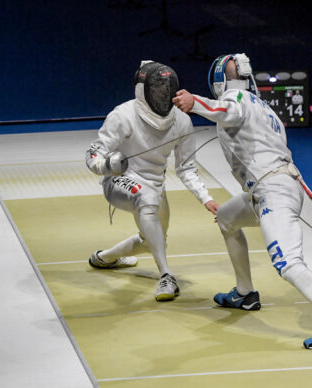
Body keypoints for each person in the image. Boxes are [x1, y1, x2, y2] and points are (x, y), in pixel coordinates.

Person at [172, 53, 312, 349]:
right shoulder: (266, 108)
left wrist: (195, 103)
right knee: (226, 218)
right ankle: (245, 293)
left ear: (220, 80)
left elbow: (226, 109)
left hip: (273, 190)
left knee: (287, 263)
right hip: (266, 190)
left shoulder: (236, 98)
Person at [86, 60, 219, 301]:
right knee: (145, 198)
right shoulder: (123, 115)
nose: (163, 93)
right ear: (143, 90)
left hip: (156, 186)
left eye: (167, 88)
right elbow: (94, 151)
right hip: (119, 181)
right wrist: (104, 165)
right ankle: (167, 276)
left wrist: (206, 198)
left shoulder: (181, 120)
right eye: (157, 88)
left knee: (152, 240)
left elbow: (187, 168)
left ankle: (104, 258)